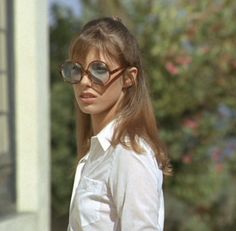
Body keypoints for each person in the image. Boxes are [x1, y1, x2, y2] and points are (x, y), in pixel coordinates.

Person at [60, 16, 172, 231]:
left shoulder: (130, 155)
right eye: (76, 69)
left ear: (129, 77)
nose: (84, 81)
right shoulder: (97, 152)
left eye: (99, 70)